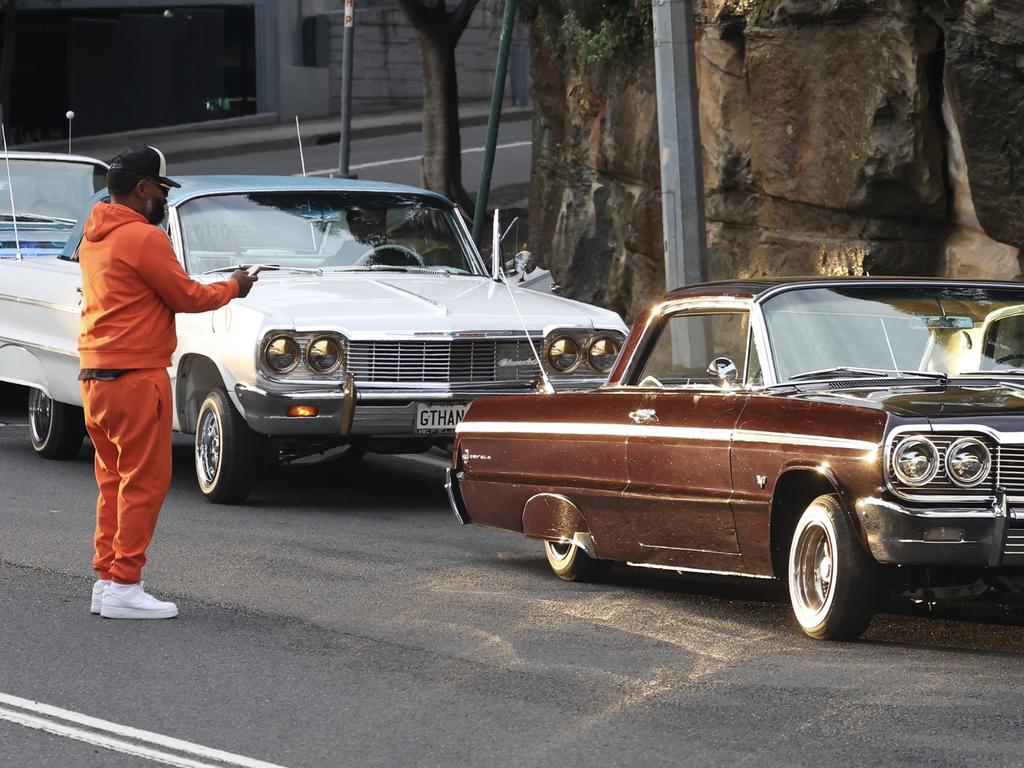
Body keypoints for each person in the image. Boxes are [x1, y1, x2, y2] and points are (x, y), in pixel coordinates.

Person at [78, 145, 257, 619]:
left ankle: (106, 579)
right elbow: (187, 295)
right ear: (141, 189)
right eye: (160, 188)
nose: (162, 197)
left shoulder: (93, 235)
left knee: (113, 480)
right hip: (137, 376)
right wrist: (236, 286)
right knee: (145, 483)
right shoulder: (143, 238)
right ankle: (125, 584)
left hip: (95, 375)